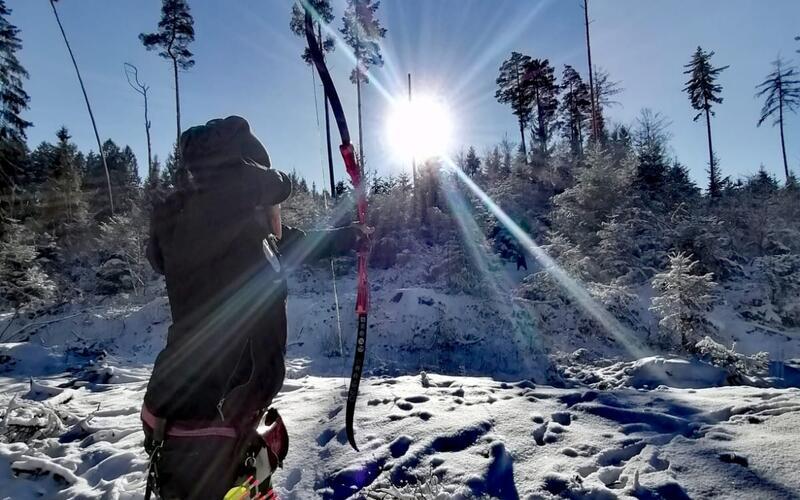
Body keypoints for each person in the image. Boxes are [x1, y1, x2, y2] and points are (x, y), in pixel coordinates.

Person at [141, 116, 365, 499]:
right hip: (206, 431)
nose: (280, 215)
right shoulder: (225, 238)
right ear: (251, 198)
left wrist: (352, 238)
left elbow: (287, 243)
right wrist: (254, 186)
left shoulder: (224, 237)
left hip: (200, 421)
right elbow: (230, 215)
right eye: (273, 204)